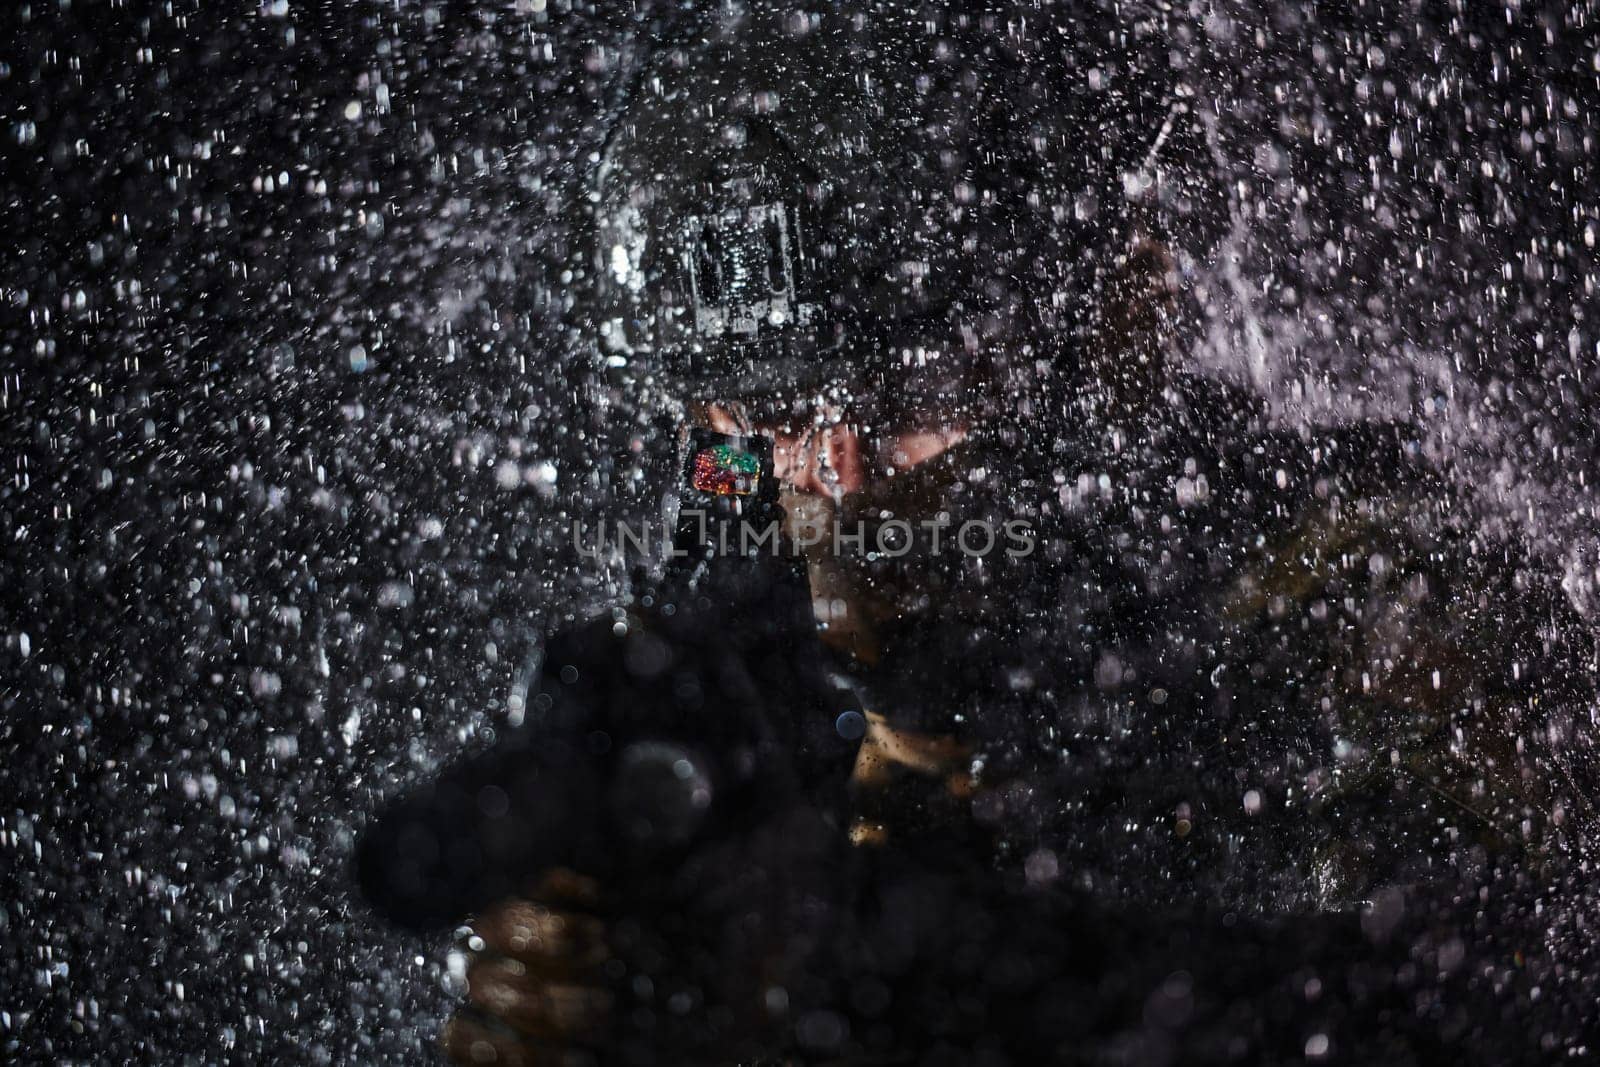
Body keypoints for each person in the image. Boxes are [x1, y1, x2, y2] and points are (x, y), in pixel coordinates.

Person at [358, 2, 1600, 1062]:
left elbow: (1480, 1011)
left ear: (1118, 323)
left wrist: (889, 969)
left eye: (902, 409)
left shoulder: (1372, 598)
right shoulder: (719, 696)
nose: (830, 485)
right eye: (769, 424)